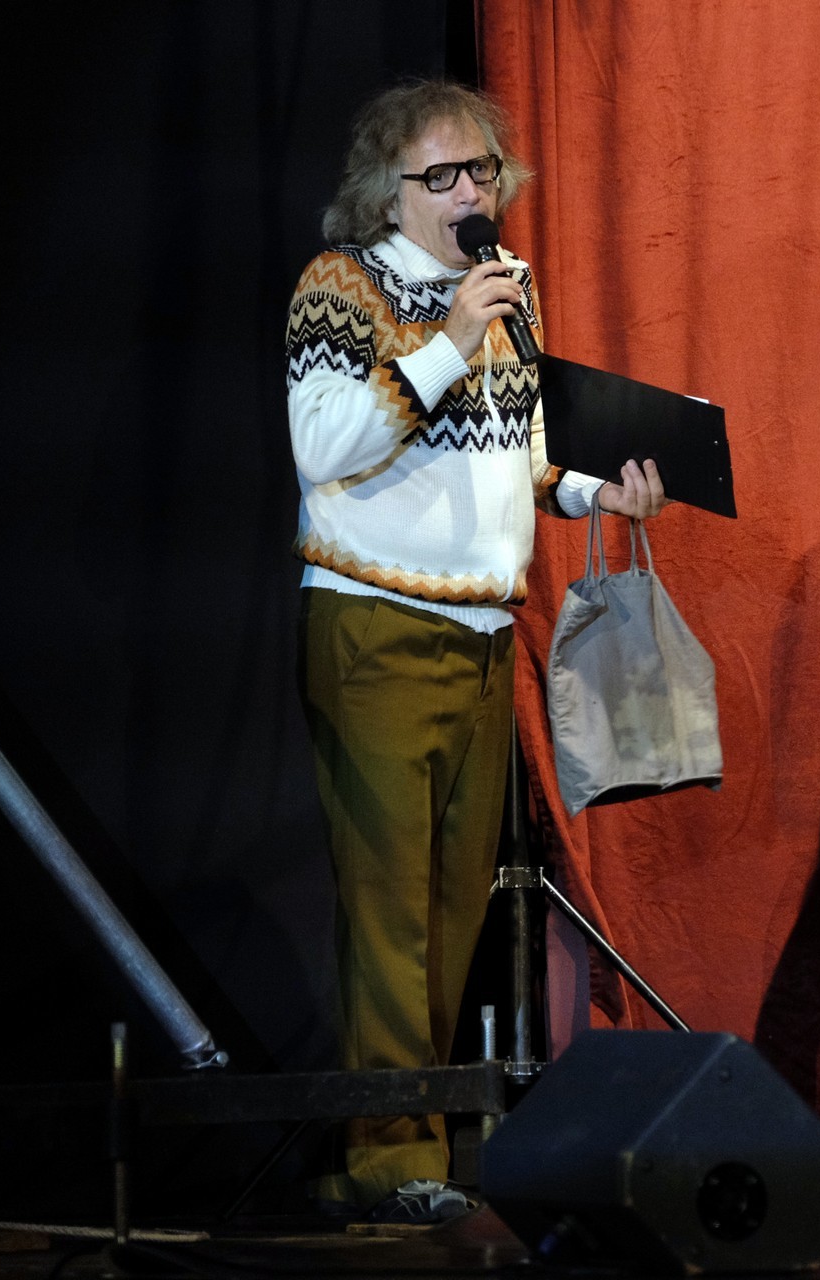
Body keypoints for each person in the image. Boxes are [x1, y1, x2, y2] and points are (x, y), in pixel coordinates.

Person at [286, 80, 665, 1222]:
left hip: (486, 633)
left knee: (454, 907)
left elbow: (524, 453)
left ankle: (419, 1144)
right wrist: (448, 340)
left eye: (483, 171)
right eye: (441, 175)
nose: (469, 193)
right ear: (387, 189)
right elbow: (323, 447)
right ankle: (390, 1157)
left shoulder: (510, 286)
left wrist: (601, 493)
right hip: (377, 625)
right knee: (389, 904)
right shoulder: (343, 286)